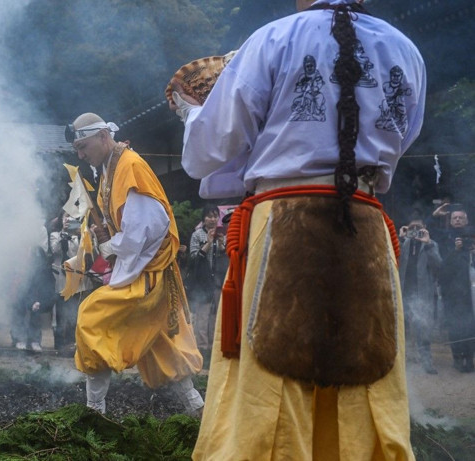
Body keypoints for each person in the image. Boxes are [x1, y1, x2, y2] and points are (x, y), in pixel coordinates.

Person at [174, 0, 425, 458]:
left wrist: (192, 113)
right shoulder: (405, 50)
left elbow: (208, 150)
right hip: (365, 220)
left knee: (270, 382)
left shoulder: (274, 38)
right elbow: (401, 141)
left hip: (282, 217)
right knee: (364, 371)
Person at [67, 113, 204, 416]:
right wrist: (108, 237)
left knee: (93, 318)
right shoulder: (109, 168)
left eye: (83, 146)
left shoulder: (129, 166)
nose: (80, 154)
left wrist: (109, 245)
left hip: (148, 274)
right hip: (143, 269)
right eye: (77, 149)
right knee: (160, 341)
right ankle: (197, 409)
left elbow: (144, 230)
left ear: (103, 137)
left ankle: (94, 412)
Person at [398, 215, 441, 374]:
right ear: (407, 229)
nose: (415, 231)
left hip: (422, 294)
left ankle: (426, 362)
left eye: (418, 228)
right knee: (401, 330)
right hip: (403, 293)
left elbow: (438, 267)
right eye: (412, 228)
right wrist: (400, 239)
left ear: (424, 229)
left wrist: (428, 244)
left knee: (423, 330)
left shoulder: (431, 244)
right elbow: (393, 261)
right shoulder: (402, 243)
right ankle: (400, 364)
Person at [49, 212, 95, 355]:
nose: (68, 219)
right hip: (62, 281)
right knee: (61, 313)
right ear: (61, 219)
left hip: (78, 280)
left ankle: (74, 344)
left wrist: (85, 235)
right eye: (65, 217)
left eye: (72, 217)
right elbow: (54, 250)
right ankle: (60, 345)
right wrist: (64, 233)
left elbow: (88, 254)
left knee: (76, 313)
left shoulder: (82, 236)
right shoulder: (55, 235)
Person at [438, 212, 475, 373]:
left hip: (471, 292)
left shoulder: (472, 235)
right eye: (455, 218)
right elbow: (442, 266)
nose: (458, 220)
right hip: (452, 292)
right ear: (450, 221)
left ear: (466, 220)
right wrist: (455, 250)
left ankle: (470, 359)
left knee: (471, 326)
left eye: (461, 218)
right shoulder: (445, 238)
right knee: (455, 326)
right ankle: (457, 359)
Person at [186, 205, 227, 350]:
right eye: (209, 216)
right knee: (203, 316)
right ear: (203, 219)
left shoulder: (222, 235)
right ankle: (202, 348)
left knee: (216, 316)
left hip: (218, 281)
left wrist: (221, 245)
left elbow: (225, 258)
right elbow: (193, 258)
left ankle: (213, 348)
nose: (212, 219)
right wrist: (208, 243)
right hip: (202, 282)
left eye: (215, 216)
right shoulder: (197, 235)